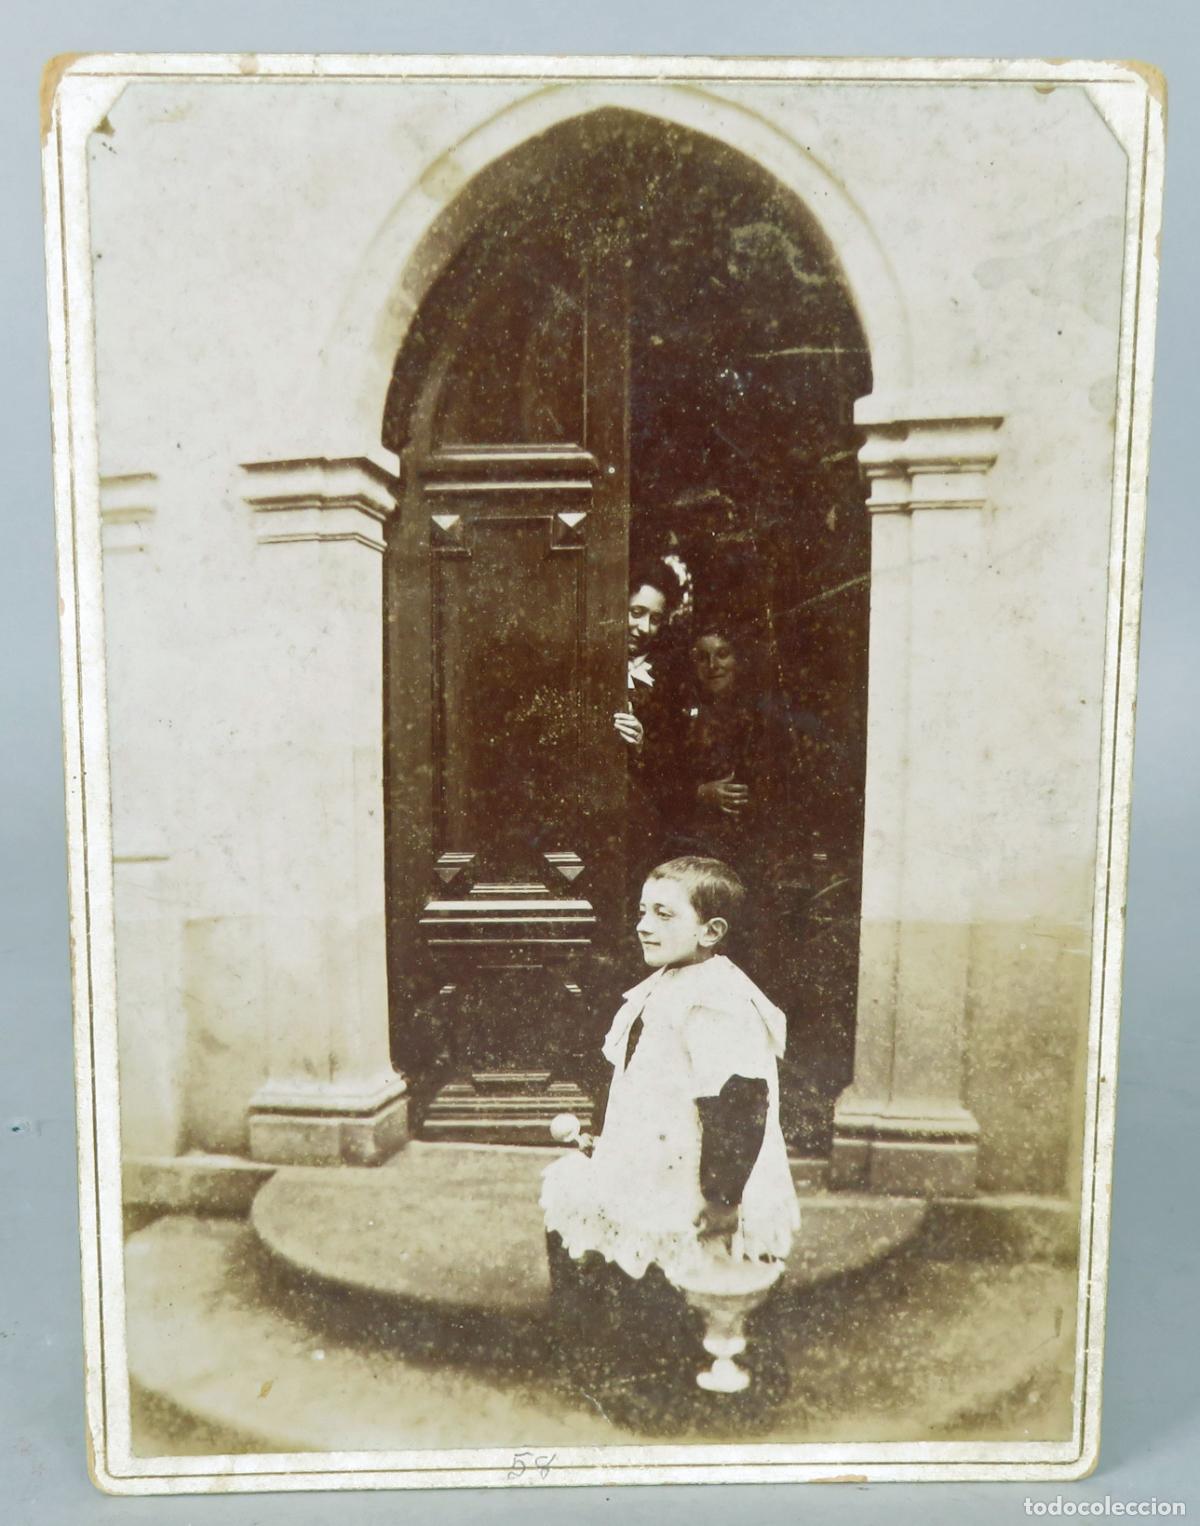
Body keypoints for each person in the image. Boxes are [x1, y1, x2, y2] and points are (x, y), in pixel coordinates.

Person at [541, 856, 799, 1403]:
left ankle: (666, 1377)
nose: (643, 925)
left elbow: (738, 1104)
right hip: (660, 1158)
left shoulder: (717, 1000)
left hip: (702, 1178)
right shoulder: (670, 984)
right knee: (581, 1202)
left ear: (712, 932)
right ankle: (616, 1361)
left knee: (687, 1264)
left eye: (663, 914)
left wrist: (724, 1196)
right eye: (641, 912)